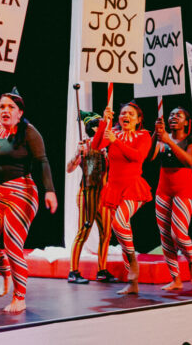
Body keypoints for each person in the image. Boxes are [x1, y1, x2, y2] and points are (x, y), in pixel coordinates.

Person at [0, 87, 58, 313]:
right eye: (2, 106)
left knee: (12, 245)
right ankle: (5, 270)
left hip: (21, 195)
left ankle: (20, 297)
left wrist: (49, 190)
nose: (5, 110)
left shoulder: (28, 131)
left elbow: (42, 161)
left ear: (20, 112)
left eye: (11, 107)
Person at [91, 101, 152, 294]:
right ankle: (133, 283)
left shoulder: (143, 135)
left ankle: (133, 263)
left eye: (131, 114)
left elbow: (138, 156)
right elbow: (96, 146)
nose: (126, 116)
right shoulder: (113, 133)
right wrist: (104, 122)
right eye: (123, 113)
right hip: (114, 188)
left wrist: (116, 141)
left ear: (138, 120)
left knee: (118, 224)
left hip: (133, 187)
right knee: (124, 232)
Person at [149, 107, 192, 290]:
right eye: (171, 115)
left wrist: (169, 142)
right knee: (165, 236)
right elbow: (149, 157)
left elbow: (189, 160)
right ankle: (176, 279)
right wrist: (155, 134)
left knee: (178, 233)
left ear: (186, 122)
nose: (173, 117)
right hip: (163, 189)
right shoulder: (162, 138)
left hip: (184, 188)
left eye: (178, 115)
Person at [66, 111, 118, 284]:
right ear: (95, 128)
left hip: (103, 195)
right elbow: (69, 168)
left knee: (106, 233)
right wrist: (77, 154)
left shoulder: (107, 146)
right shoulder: (86, 146)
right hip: (88, 194)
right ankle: (73, 271)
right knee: (84, 231)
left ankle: (102, 270)